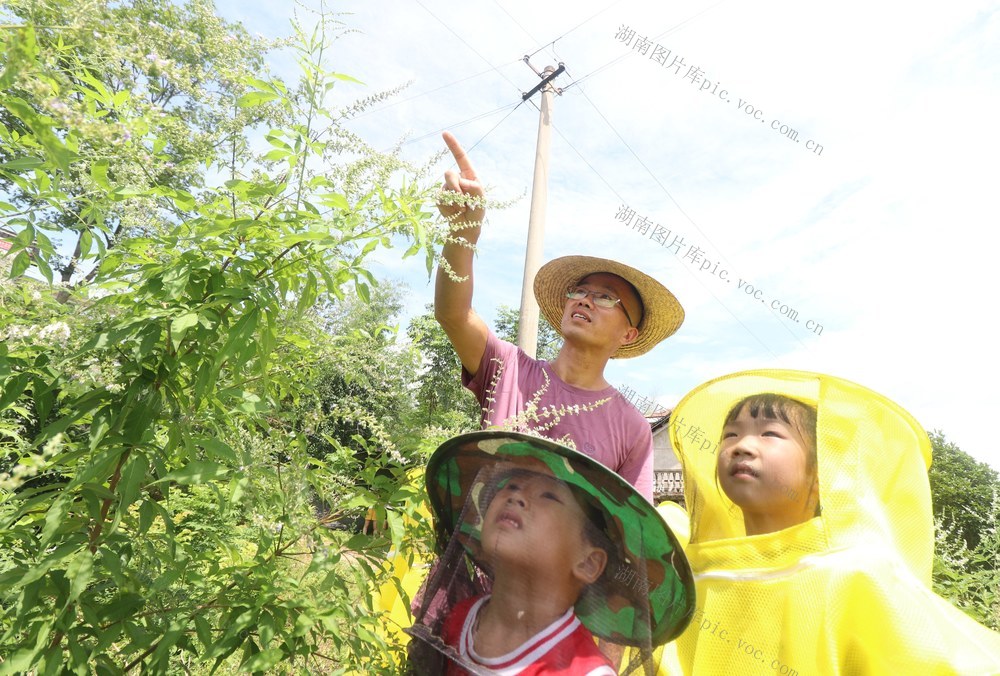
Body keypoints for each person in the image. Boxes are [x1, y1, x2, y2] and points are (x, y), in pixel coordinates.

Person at [659, 369, 1000, 675]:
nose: (742, 446)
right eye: (730, 435)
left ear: (823, 474)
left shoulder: (857, 574)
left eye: (770, 434)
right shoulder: (693, 578)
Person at [434, 132, 685, 500]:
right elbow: (453, 313)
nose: (584, 300)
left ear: (628, 335)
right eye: (579, 291)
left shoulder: (631, 427)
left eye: (604, 297)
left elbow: (632, 533)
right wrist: (463, 228)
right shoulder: (509, 371)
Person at [406, 430, 695, 675]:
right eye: (511, 486)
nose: (515, 496)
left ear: (589, 562)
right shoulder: (459, 618)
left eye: (548, 496)